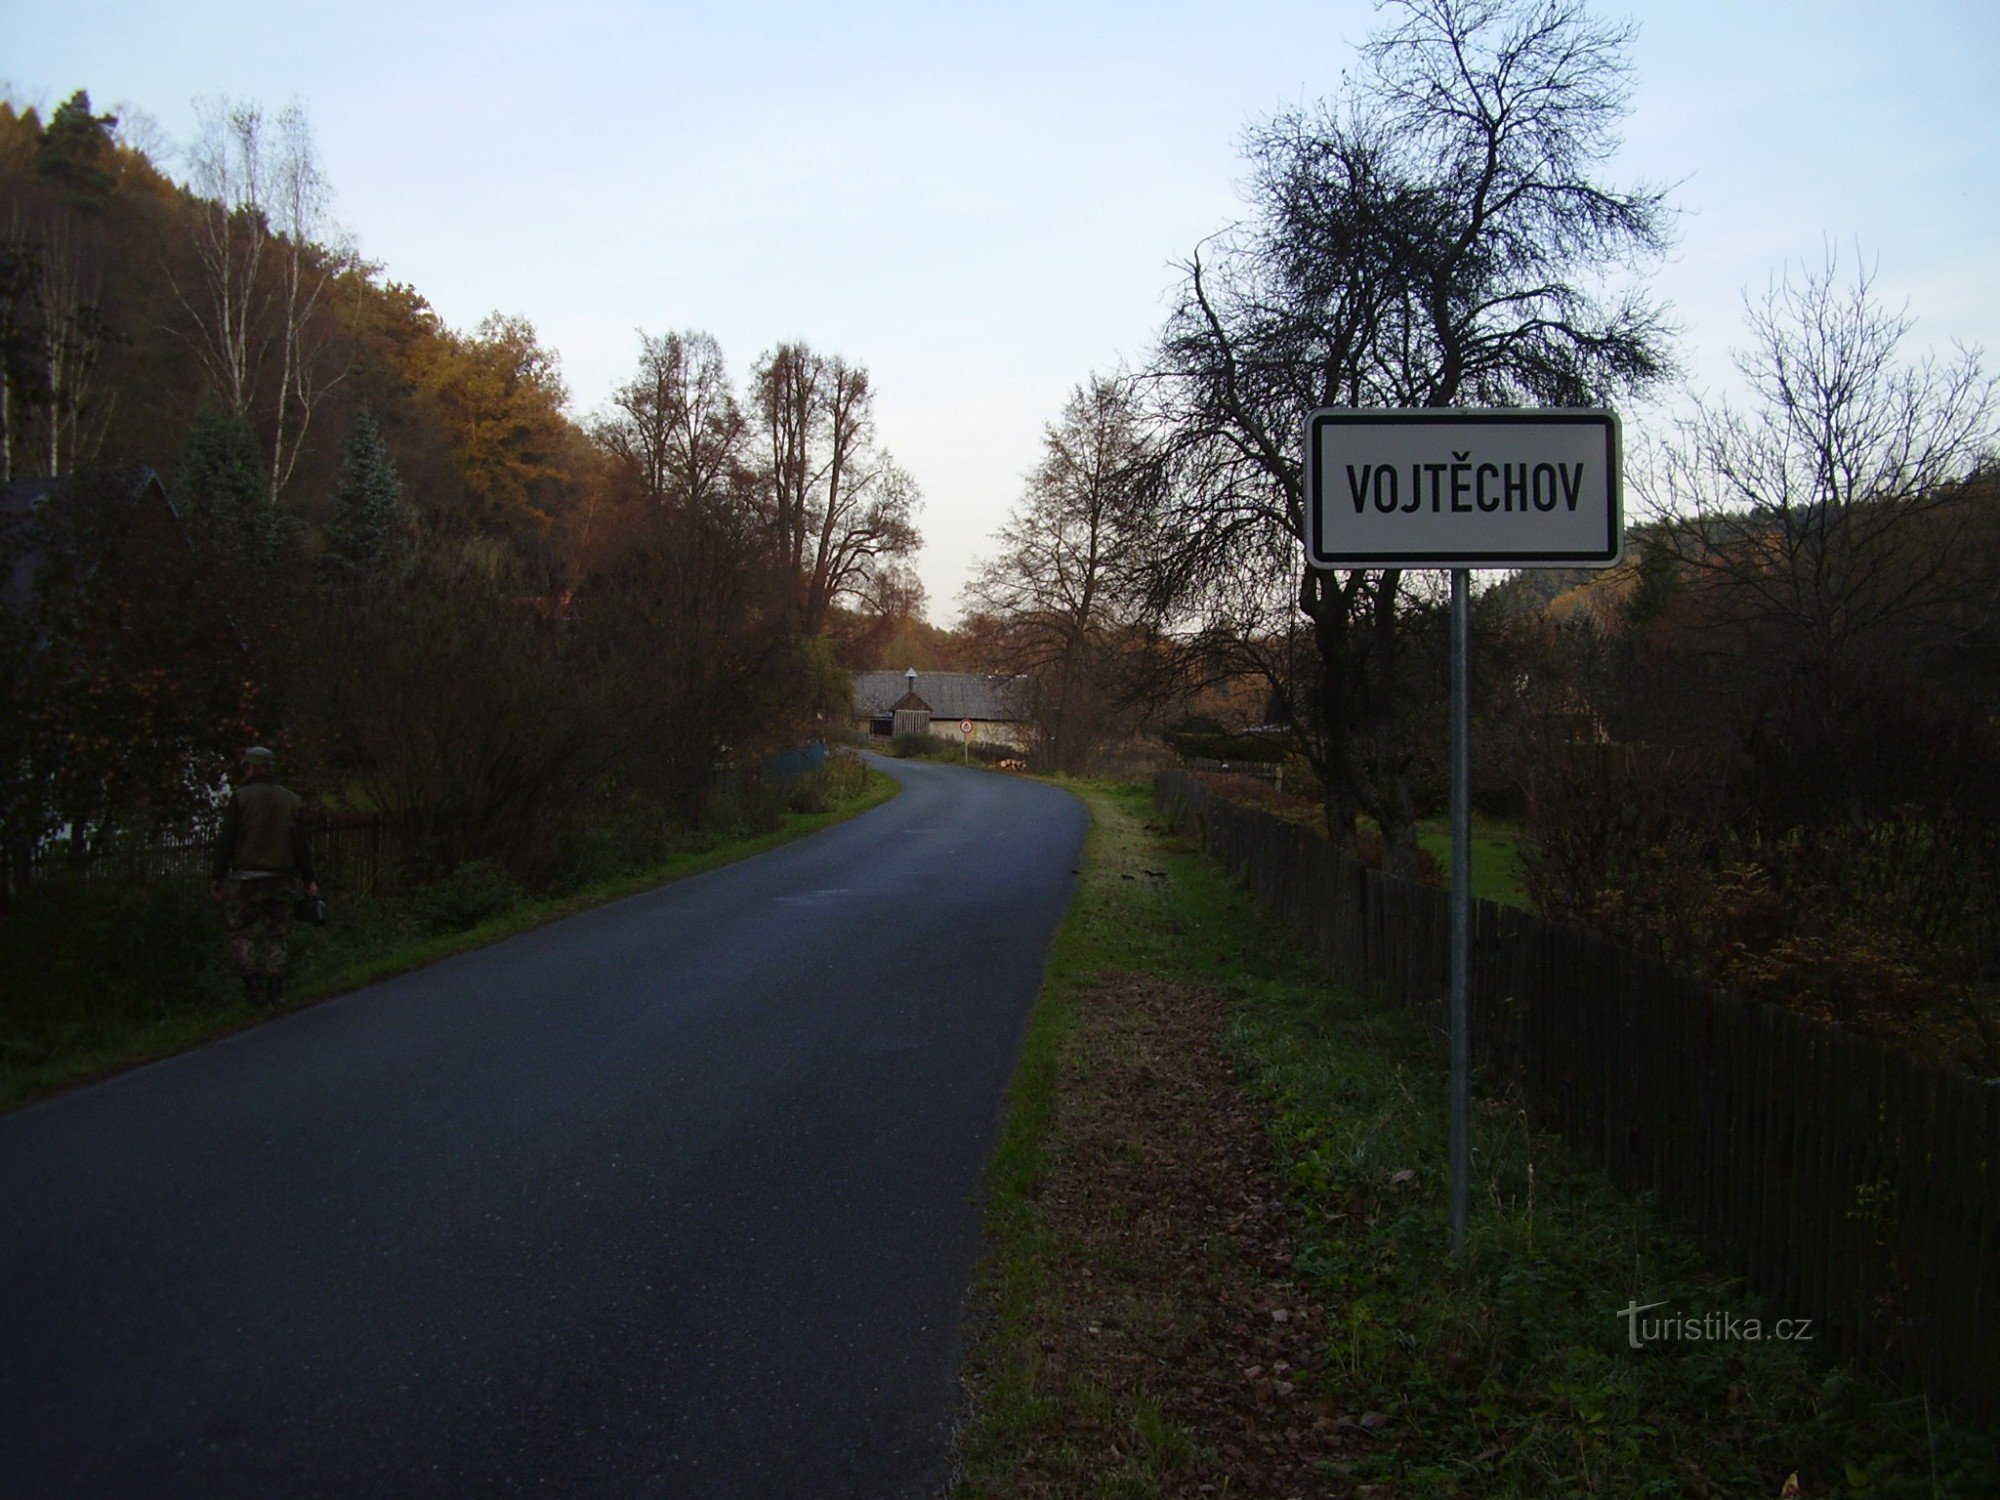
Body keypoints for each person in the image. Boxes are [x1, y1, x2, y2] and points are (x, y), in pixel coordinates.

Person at [210, 746, 318, 1008]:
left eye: (247, 766)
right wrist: (309, 879)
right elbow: (301, 845)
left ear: (254, 768)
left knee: (240, 932)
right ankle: (276, 990)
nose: (245, 770)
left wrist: (218, 875)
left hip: (245, 878)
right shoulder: (292, 800)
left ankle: (254, 988)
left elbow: (227, 840)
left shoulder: (240, 798)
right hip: (281, 877)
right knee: (277, 932)